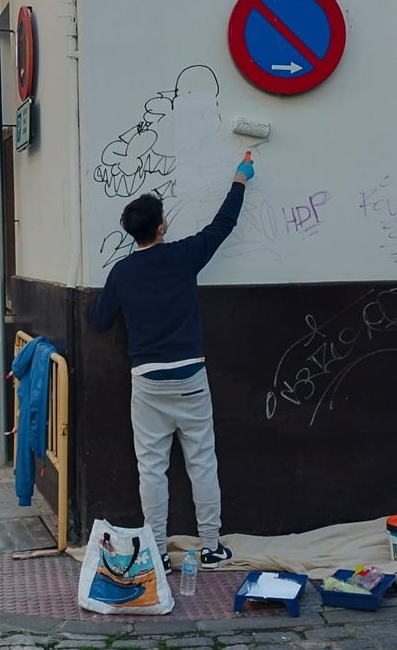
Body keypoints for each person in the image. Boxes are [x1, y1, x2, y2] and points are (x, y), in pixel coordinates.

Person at [90, 155, 256, 574]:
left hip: (146, 380)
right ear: (161, 226)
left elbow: (98, 320)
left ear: (133, 232)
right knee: (202, 459)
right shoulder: (184, 256)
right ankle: (212, 546)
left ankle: (158, 550)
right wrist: (239, 179)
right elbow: (222, 226)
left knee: (152, 467)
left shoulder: (122, 273)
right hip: (191, 375)